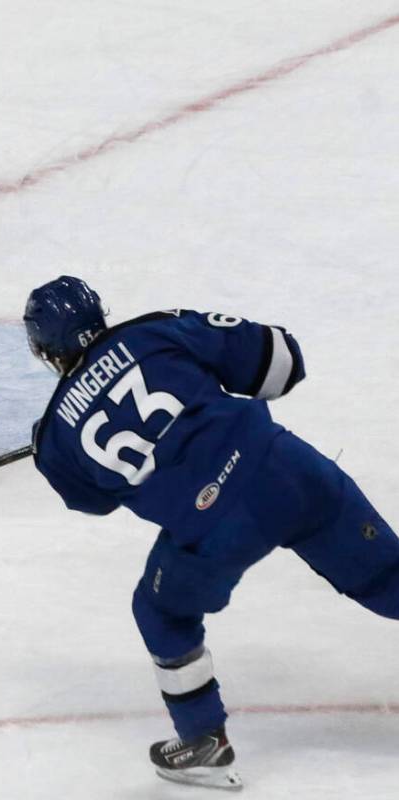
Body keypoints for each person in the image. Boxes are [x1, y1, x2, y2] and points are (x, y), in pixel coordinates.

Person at [23, 276, 399, 790]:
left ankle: (204, 742)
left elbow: (93, 502)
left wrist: (54, 439)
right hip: (284, 471)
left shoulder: (54, 441)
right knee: (387, 578)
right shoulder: (154, 332)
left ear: (45, 348)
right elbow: (281, 363)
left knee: (160, 611)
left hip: (212, 527)